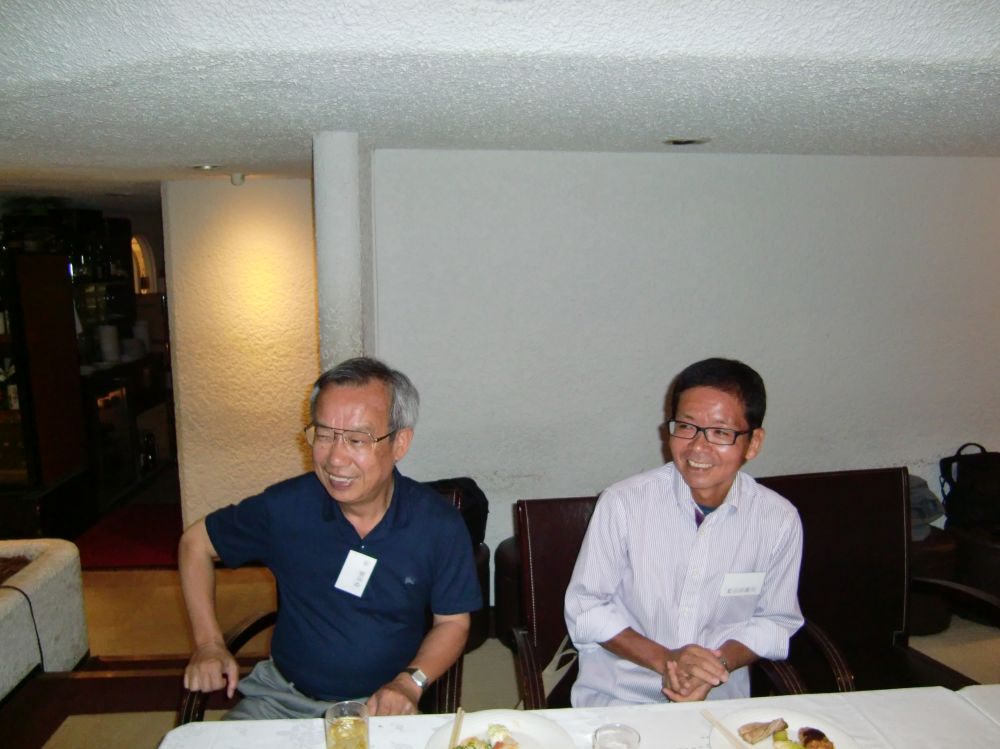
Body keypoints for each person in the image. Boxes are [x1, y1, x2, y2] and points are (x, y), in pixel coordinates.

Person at [179, 357, 482, 718]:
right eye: (323, 435)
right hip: (281, 699)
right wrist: (209, 643)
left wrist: (409, 683)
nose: (335, 459)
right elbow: (195, 544)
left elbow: (453, 622)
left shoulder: (438, 524)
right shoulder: (285, 508)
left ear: (399, 443)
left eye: (356, 439)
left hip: (381, 705)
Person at [564, 357, 803, 706]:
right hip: (622, 700)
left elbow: (775, 620)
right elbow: (586, 608)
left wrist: (716, 665)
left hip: (719, 701)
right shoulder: (624, 504)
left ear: (753, 443)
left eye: (720, 432)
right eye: (686, 427)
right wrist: (667, 660)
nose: (698, 447)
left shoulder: (778, 520)